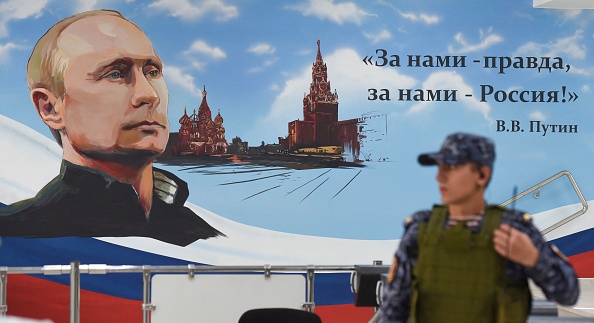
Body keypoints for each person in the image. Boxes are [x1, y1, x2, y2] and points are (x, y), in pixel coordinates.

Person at [0, 10, 223, 247]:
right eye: (115, 74)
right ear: (51, 108)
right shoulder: (17, 233)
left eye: (152, 72)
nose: (149, 94)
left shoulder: (201, 234)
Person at [379, 132, 579, 323]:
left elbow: (568, 295)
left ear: (482, 175)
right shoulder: (419, 229)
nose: (439, 177)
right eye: (439, 168)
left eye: (450, 168)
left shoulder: (512, 230)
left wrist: (533, 259)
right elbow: (394, 307)